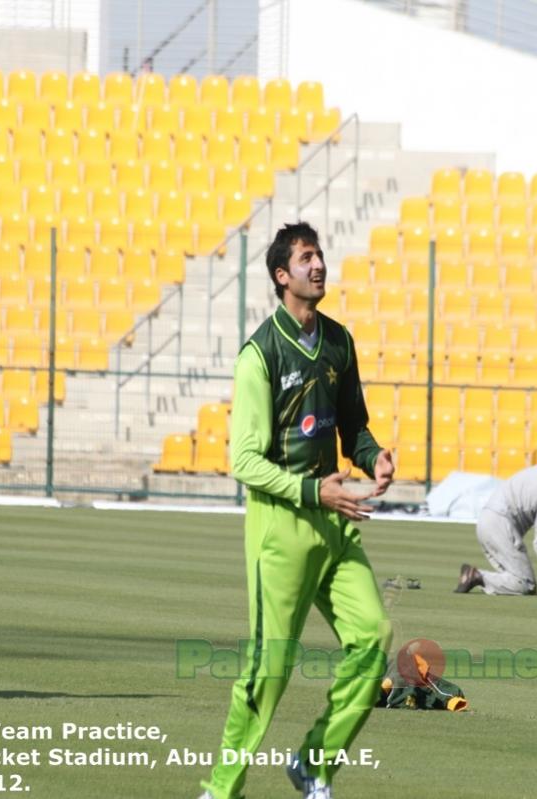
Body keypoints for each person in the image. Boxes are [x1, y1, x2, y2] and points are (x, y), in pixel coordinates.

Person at [199, 222, 395, 799]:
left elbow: (353, 425)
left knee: (374, 638)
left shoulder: (338, 340)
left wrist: (373, 456)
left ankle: (313, 763)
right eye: (307, 259)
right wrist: (315, 493)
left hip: (336, 521)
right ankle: (222, 787)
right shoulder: (260, 352)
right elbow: (244, 462)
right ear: (282, 276)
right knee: (270, 671)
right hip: (281, 524)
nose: (319, 266)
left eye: (320, 256)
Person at [454, 466, 537, 596]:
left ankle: (476, 577)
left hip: (485, 520)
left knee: (510, 577)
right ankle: (476, 576)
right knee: (525, 583)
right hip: (500, 524)